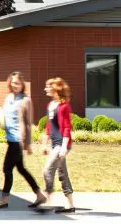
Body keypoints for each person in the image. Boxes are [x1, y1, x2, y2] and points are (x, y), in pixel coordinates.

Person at [0, 71, 46, 209]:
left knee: (7, 168)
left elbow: (28, 123)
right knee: (21, 169)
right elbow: (5, 119)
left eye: (18, 83)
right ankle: (39, 195)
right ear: (10, 83)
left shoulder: (25, 100)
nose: (16, 85)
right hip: (10, 138)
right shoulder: (8, 98)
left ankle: (4, 199)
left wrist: (27, 143)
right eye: (13, 82)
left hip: (17, 140)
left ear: (22, 84)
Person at [42, 77, 75, 214]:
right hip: (54, 143)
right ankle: (70, 205)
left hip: (62, 144)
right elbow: (49, 126)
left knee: (47, 169)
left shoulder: (64, 106)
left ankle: (46, 200)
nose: (45, 89)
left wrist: (63, 146)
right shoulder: (51, 105)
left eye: (48, 87)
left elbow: (67, 127)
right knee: (62, 174)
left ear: (55, 89)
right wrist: (45, 143)